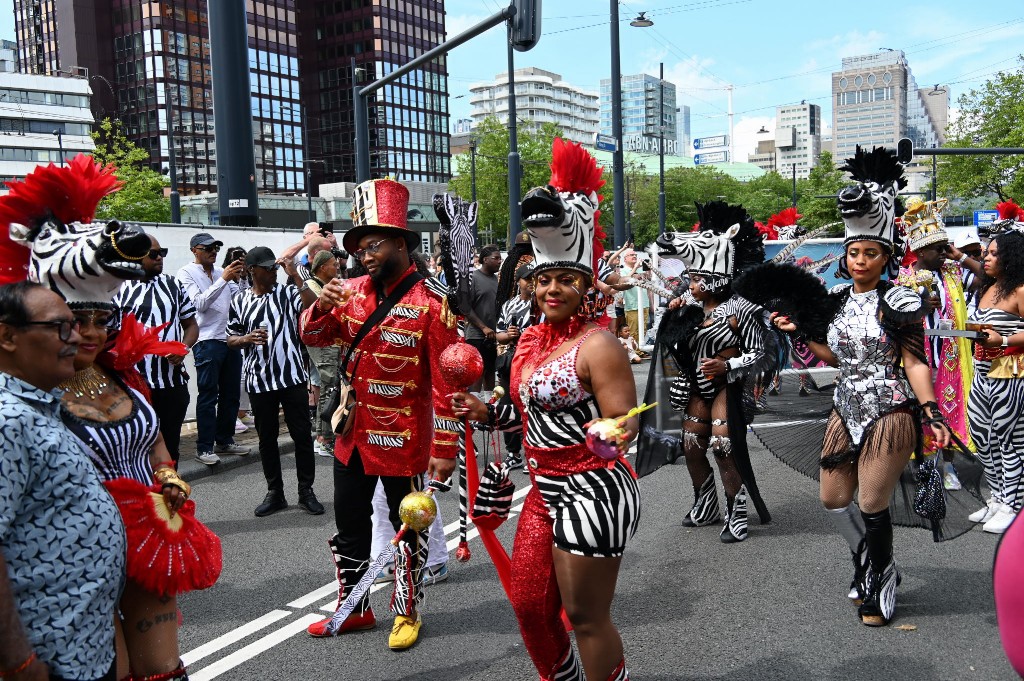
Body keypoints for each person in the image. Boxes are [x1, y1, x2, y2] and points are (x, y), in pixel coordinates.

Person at [453, 139, 639, 681]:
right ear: (531, 284)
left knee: (585, 615)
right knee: (530, 605)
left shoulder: (599, 344)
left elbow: (623, 425)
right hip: (543, 490)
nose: (552, 288)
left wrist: (613, 429)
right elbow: (521, 414)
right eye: (544, 279)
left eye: (566, 279)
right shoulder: (529, 341)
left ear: (586, 286)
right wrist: (487, 414)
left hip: (594, 488)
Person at [770, 146, 952, 627]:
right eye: (854, 252)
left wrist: (931, 410)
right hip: (844, 405)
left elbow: (913, 362)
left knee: (872, 501)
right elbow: (833, 358)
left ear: (886, 255)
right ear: (845, 254)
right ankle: (868, 558)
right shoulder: (833, 301)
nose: (860, 260)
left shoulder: (901, 300)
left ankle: (881, 576)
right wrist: (802, 334)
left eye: (870, 252)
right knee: (833, 499)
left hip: (891, 408)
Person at [300, 178, 462, 651]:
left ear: (400, 243)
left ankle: (406, 611)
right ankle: (353, 607)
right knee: (349, 521)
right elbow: (313, 339)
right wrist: (316, 308)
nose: (365, 255)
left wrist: (445, 448)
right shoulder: (346, 291)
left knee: (407, 521)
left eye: (374, 245)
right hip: (351, 433)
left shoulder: (433, 304)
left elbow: (448, 381)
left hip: (405, 439)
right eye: (359, 247)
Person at [0, 281, 126, 681]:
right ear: (7, 336)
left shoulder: (40, 404)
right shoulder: (7, 420)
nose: (76, 337)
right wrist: (20, 663)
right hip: (44, 659)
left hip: (82, 646)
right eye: (60, 327)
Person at [654, 201, 773, 543]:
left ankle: (736, 511)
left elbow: (761, 352)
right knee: (691, 445)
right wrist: (673, 319)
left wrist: (728, 365)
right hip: (697, 387)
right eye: (689, 279)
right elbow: (671, 345)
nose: (688, 285)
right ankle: (704, 503)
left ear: (712, 280)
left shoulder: (742, 309)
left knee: (723, 447)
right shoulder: (689, 307)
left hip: (727, 388)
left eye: (694, 279)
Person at [227, 246, 322, 517]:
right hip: (259, 381)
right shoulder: (240, 300)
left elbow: (312, 303)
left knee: (302, 436)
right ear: (252, 270)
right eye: (267, 268)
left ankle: (306, 491)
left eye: (274, 267)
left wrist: (295, 275)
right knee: (266, 440)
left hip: (291, 377)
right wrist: (245, 339)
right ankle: (275, 493)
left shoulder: (286, 292)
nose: (272, 272)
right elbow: (230, 338)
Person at [896, 198, 982, 489]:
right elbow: (894, 316)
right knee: (921, 412)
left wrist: (959, 256)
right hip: (920, 357)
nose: (943, 253)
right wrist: (920, 304)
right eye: (938, 249)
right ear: (920, 251)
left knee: (949, 409)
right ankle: (924, 466)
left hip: (950, 357)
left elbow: (984, 277)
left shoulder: (953, 271)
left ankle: (948, 466)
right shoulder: (904, 278)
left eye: (945, 248)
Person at [113, 235, 199, 466]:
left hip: (171, 384)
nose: (160, 257)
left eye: (163, 252)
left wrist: (183, 347)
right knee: (137, 448)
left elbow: (191, 325)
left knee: (170, 449)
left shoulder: (173, 284)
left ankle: (172, 498)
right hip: (133, 384)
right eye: (154, 254)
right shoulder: (118, 288)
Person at [965, 229, 1024, 534]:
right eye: (985, 253)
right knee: (983, 438)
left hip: (1010, 373)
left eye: (992, 253)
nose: (985, 257)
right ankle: (998, 498)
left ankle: (1014, 504)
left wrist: (1002, 341)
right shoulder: (988, 288)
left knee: (1009, 440)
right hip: (981, 374)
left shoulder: (1021, 290)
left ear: (1010, 257)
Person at [177, 232, 250, 465]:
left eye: (216, 248)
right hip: (206, 340)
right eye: (207, 248)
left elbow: (240, 300)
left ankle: (225, 440)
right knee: (209, 395)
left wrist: (242, 277)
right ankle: (204, 447)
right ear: (194, 250)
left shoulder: (222, 273)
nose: (213, 252)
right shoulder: (186, 273)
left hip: (229, 338)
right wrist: (224, 280)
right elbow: (198, 303)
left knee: (231, 394)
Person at [494, 264, 536, 470]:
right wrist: (508, 335)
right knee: (507, 406)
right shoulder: (509, 305)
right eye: (526, 279)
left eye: (533, 278)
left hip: (535, 361)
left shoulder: (542, 303)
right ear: (518, 282)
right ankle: (513, 453)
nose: (530, 283)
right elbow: (498, 333)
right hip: (512, 361)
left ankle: (532, 451)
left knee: (531, 407)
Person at [304, 249, 342, 457]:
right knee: (329, 387)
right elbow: (323, 314)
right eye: (333, 265)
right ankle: (324, 438)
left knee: (329, 386)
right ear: (321, 267)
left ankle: (323, 436)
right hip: (320, 345)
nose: (337, 267)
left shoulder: (327, 285)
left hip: (329, 344)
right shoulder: (311, 286)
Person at [464, 243, 502, 393]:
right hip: (476, 335)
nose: (499, 261)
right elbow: (466, 308)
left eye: (500, 258)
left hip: (493, 335)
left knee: (490, 372)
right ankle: (474, 408)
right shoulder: (473, 278)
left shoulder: (495, 279)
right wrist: (483, 327)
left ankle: (489, 408)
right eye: (496, 258)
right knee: (477, 372)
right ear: (485, 259)